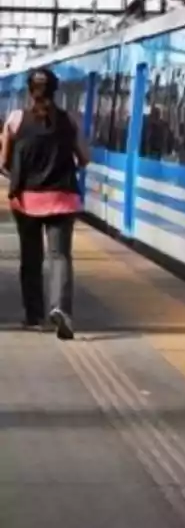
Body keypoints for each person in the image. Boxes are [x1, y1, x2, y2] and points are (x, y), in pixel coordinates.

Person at [0, 67, 89, 339]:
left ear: (30, 91)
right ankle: (61, 308)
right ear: (56, 91)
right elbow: (84, 157)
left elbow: (4, 162)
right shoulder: (69, 121)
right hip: (62, 200)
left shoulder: (16, 120)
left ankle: (34, 316)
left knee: (31, 258)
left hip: (26, 201)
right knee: (60, 256)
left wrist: (16, 175)